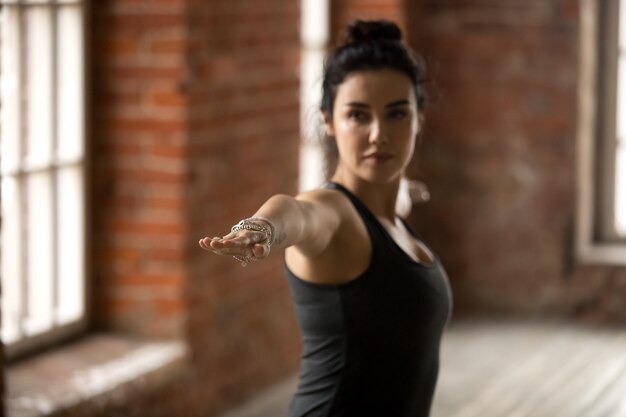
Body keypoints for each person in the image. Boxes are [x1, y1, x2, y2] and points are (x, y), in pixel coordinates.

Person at [199, 19, 452, 417]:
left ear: (419, 117)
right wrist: (262, 227)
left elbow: (395, 198)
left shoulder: (388, 210)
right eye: (357, 115)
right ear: (328, 121)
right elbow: (298, 213)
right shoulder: (334, 215)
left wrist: (406, 191)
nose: (377, 134)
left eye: (397, 114)